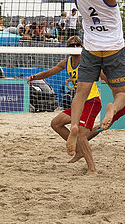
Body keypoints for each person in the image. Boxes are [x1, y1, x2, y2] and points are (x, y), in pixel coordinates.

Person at [60, 0, 125, 157]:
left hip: (91, 48)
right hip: (113, 48)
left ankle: (74, 126)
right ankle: (112, 109)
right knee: (121, 95)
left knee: (80, 93)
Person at [27, 36, 101, 175]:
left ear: (81, 47)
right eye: (71, 45)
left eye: (77, 45)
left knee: (82, 135)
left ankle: (92, 169)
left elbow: (104, 75)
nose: (74, 47)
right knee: (56, 123)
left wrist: (120, 93)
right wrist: (35, 77)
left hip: (92, 101)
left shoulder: (88, 61)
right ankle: (79, 149)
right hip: (79, 103)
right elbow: (50, 72)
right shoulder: (66, 62)